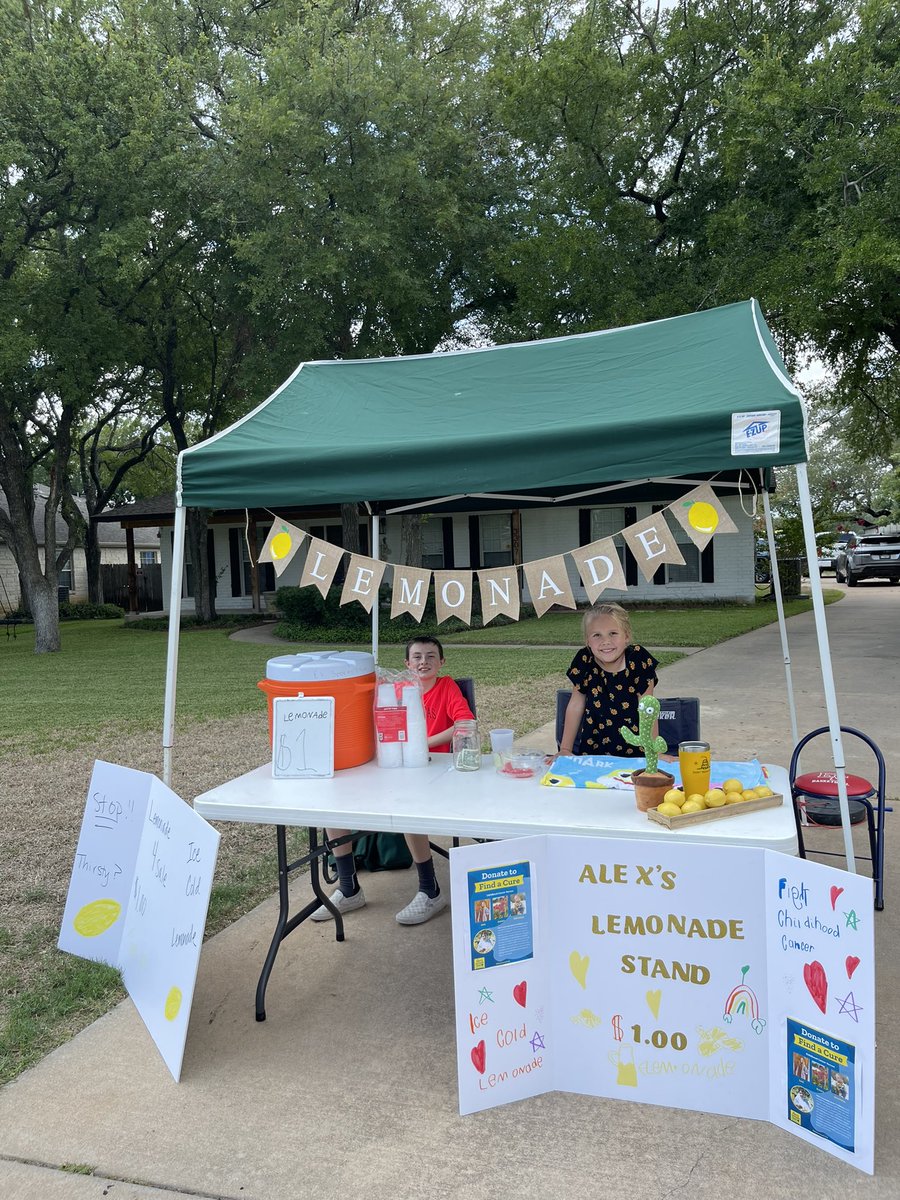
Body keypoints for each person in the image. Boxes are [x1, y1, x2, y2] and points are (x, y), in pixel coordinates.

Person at [311, 635, 474, 926]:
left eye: (431, 656)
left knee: (408, 806)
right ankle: (348, 888)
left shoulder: (447, 687)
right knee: (332, 800)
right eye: (417, 657)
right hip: (393, 763)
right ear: (407, 664)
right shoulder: (394, 691)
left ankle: (430, 889)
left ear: (442, 662)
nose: (424, 662)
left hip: (432, 768)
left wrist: (421, 744)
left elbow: (464, 724)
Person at [558, 602, 674, 760]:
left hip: (637, 754)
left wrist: (654, 752)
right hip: (593, 752)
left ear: (626, 636)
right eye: (596, 635)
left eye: (613, 633)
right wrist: (565, 749)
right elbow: (575, 704)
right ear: (587, 641)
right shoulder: (584, 660)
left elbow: (648, 708)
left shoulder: (639, 659)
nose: (605, 641)